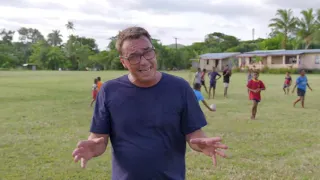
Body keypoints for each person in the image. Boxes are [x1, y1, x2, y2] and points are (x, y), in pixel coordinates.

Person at [72, 26, 228, 180]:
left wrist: (201, 143)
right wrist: (93, 148)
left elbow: (194, 133)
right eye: (133, 57)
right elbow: (99, 139)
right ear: (123, 62)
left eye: (148, 52)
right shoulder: (109, 91)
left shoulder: (180, 87)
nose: (144, 61)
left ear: (155, 53)